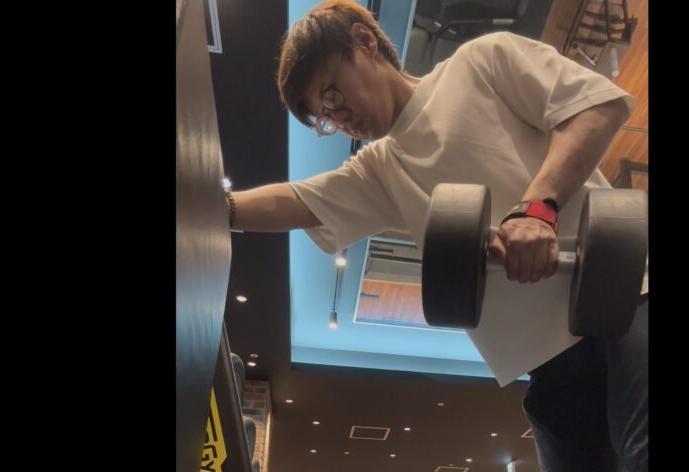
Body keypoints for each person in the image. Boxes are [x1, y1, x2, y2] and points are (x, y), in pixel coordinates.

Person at [225, 1, 647, 470]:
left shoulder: (483, 62)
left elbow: (597, 107)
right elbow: (298, 201)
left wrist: (538, 209)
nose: (340, 119)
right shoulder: (380, 169)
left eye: (331, 96)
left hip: (626, 305)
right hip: (548, 365)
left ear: (364, 41)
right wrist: (216, 208)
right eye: (325, 118)